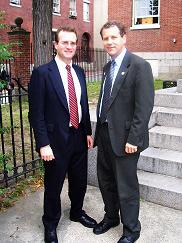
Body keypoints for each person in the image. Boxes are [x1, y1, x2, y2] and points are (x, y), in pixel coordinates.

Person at [29, 26, 97, 243]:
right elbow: (36, 114)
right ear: (55, 45)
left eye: (72, 43)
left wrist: (87, 131)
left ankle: (76, 212)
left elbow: (82, 104)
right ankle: (50, 224)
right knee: (53, 185)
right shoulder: (42, 74)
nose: (69, 46)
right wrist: (43, 144)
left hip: (78, 136)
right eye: (64, 42)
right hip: (55, 141)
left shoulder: (78, 72)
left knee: (79, 181)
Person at [93, 21, 154, 243]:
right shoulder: (107, 67)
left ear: (124, 38)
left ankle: (131, 230)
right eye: (106, 38)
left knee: (126, 187)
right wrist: (96, 131)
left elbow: (144, 107)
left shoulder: (139, 66)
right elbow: (105, 103)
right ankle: (111, 217)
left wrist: (134, 139)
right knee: (106, 181)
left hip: (127, 140)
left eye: (113, 37)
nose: (109, 42)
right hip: (105, 135)